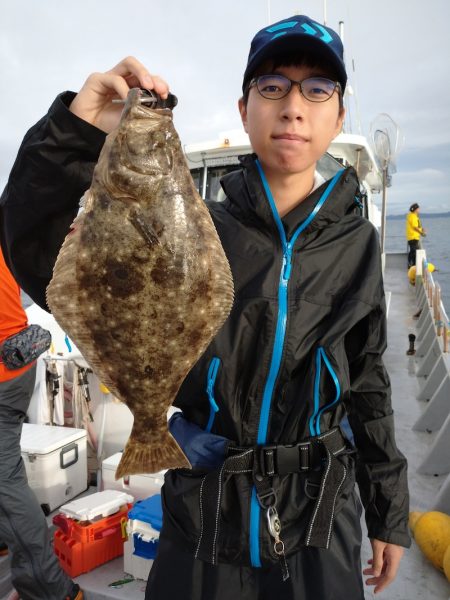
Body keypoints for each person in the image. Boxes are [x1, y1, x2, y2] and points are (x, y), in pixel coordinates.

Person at [0, 14, 410, 600]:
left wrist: (388, 512)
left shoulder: (359, 242)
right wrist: (76, 130)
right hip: (204, 513)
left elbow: (368, 379)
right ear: (244, 108)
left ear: (338, 115)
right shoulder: (198, 228)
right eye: (273, 85)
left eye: (318, 88)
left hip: (321, 520)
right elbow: (39, 259)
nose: (294, 106)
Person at [0, 246, 83, 600]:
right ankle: (8, 541)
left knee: (4, 482)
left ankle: (50, 589)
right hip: (17, 357)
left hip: (3, 372)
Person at [406, 202, 426, 268]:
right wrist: (421, 233)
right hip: (413, 237)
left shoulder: (413, 216)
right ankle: (412, 265)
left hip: (413, 237)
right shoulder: (413, 216)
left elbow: (417, 226)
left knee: (414, 251)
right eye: (418, 208)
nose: (419, 210)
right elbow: (415, 227)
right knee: (413, 252)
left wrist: (421, 229)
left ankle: (413, 265)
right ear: (415, 209)